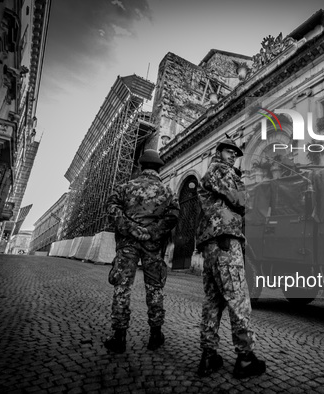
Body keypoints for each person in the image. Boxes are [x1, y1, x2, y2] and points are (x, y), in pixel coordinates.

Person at [195, 138, 266, 379]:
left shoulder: (216, 172)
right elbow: (240, 201)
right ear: (219, 153)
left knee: (213, 301)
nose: (233, 156)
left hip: (212, 244)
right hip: (225, 241)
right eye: (228, 151)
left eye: (235, 153)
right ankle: (245, 359)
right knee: (238, 299)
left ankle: (208, 356)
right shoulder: (220, 170)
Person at [103, 149, 179, 354]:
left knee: (122, 287)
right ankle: (156, 334)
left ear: (140, 166)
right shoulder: (167, 191)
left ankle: (119, 337)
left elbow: (111, 207)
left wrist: (130, 228)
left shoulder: (125, 187)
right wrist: (152, 232)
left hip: (128, 243)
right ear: (159, 168)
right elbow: (173, 215)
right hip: (153, 246)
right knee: (154, 288)